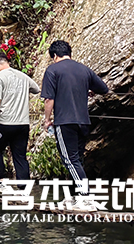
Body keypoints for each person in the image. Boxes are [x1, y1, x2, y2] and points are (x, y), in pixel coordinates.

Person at [41, 40, 108, 212]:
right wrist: (87, 89)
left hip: (65, 122)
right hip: (83, 122)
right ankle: (77, 195)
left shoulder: (52, 70)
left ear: (54, 55)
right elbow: (104, 89)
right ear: (69, 53)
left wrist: (47, 120)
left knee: (69, 160)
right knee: (77, 159)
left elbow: (49, 99)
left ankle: (85, 197)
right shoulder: (83, 69)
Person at [0, 51, 40, 192]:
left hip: (4, 122)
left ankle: (0, 180)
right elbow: (36, 89)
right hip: (22, 124)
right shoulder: (23, 76)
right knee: (20, 155)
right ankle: (24, 186)